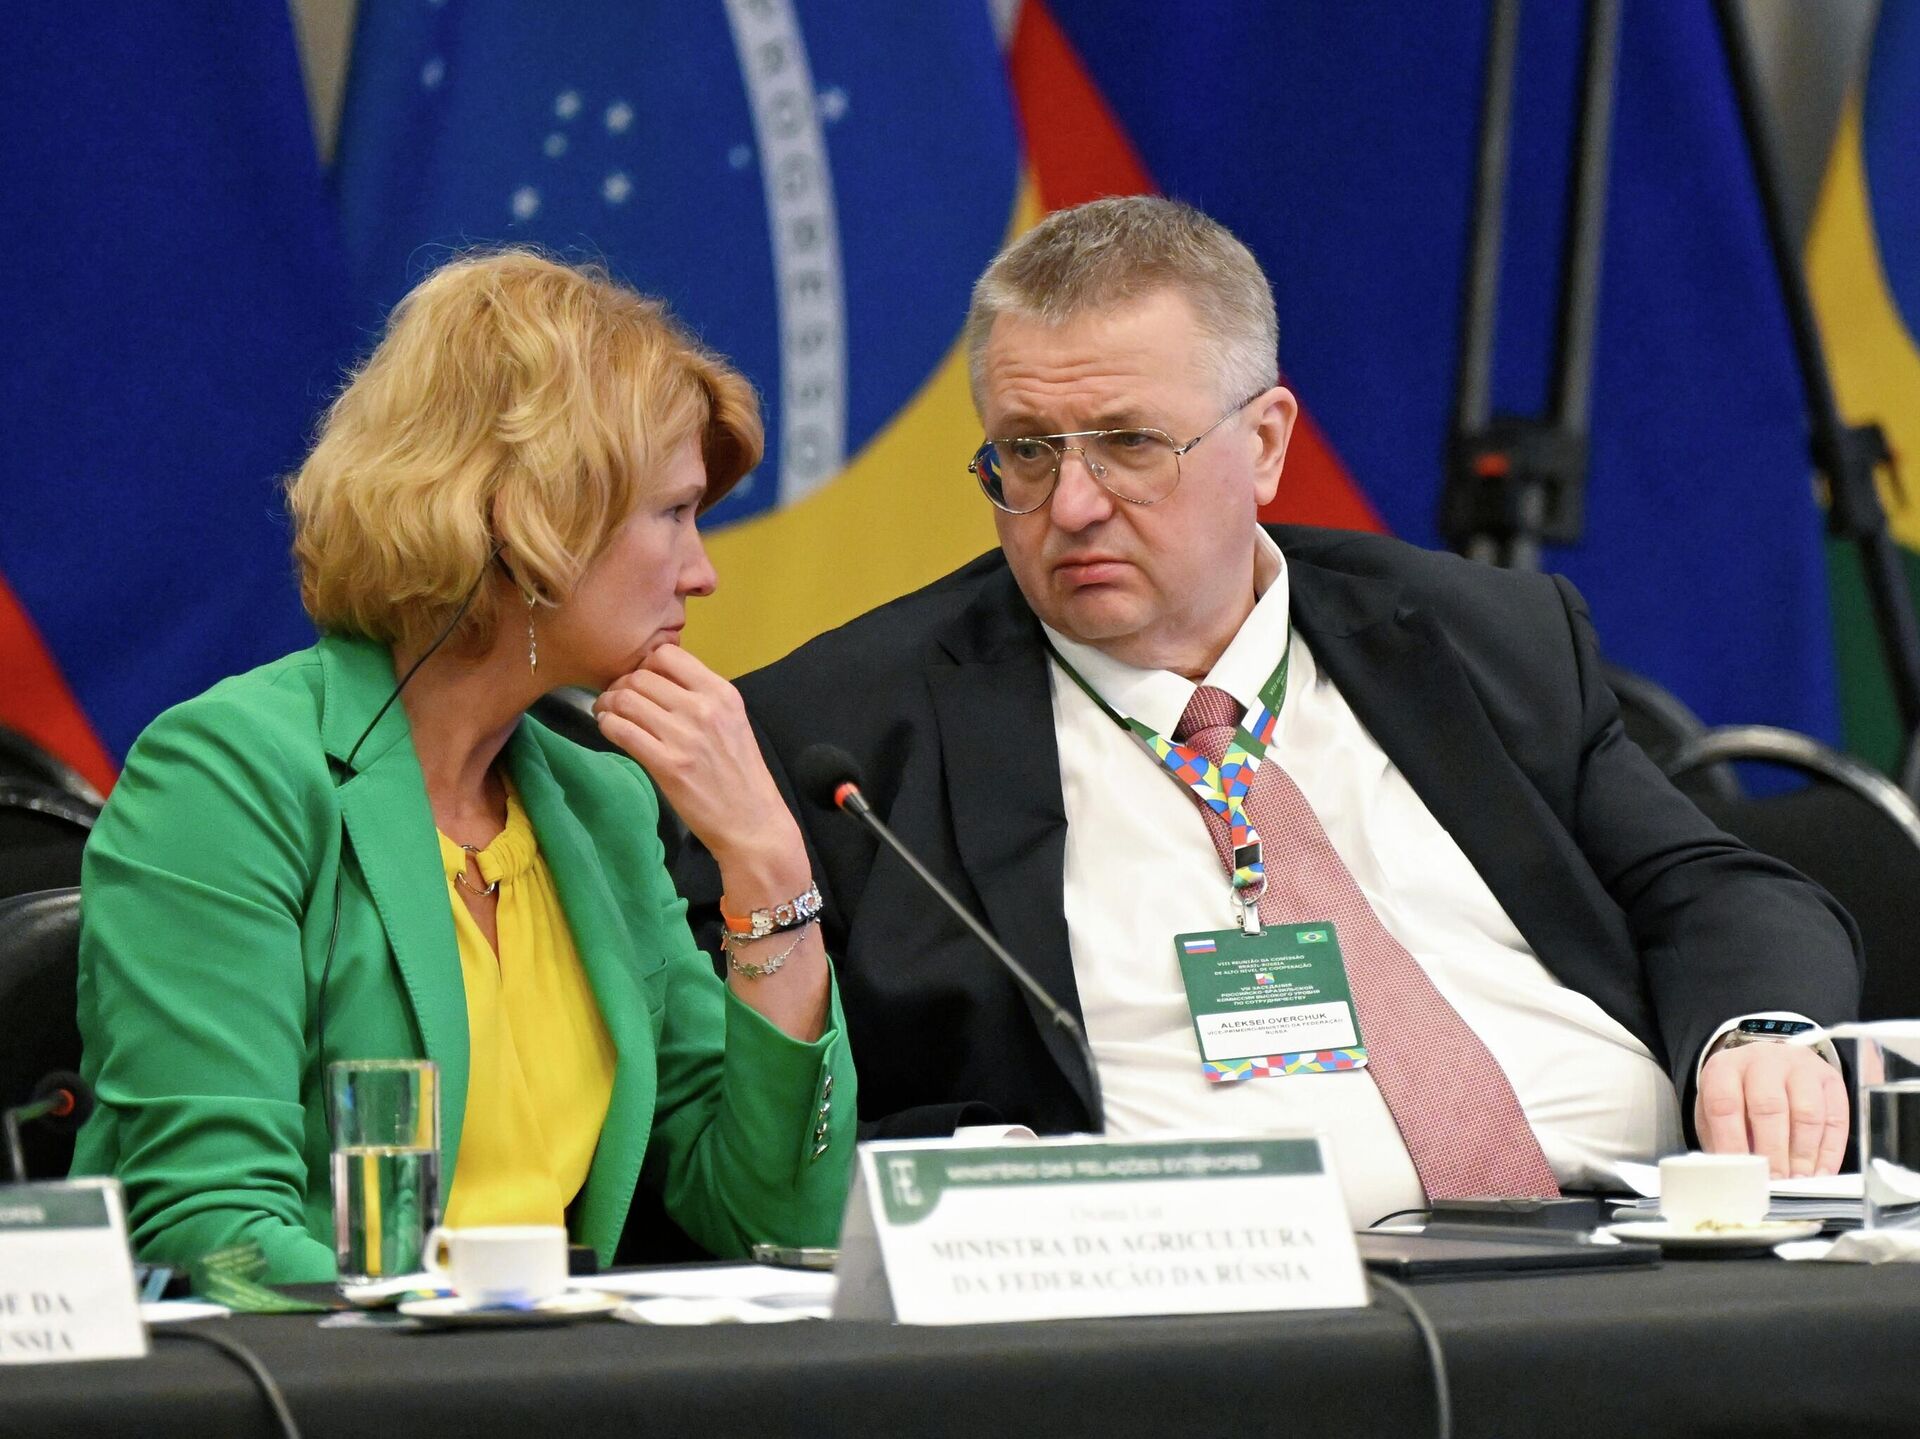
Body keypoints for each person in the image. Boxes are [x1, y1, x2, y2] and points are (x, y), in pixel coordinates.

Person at [675, 196, 1861, 1226]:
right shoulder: (842, 737)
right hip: (1215, 1317)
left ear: (1266, 442)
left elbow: (1716, 886)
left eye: (1129, 443)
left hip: (1633, 1242)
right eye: (1027, 453)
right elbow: (747, 1129)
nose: (1071, 504)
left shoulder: (1478, 636)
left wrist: (1757, 1032)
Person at [73, 250, 851, 1281]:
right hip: (325, 1368)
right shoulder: (227, 776)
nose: (702, 573)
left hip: (528, 1357)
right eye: (672, 513)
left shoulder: (603, 804)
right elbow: (212, 1228)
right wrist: (471, 1328)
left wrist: (768, 867)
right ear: (527, 517)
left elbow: (772, 1216)